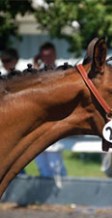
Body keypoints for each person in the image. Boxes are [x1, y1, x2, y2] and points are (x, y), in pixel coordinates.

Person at [33, 42, 67, 181]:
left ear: (55, 55)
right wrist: (35, 66)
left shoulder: (63, 72)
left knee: (55, 161)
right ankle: (47, 193)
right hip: (39, 121)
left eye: (50, 55)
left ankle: (64, 188)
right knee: (40, 159)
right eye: (44, 56)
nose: (47, 59)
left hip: (55, 120)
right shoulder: (36, 73)